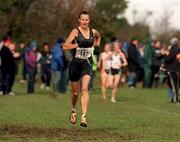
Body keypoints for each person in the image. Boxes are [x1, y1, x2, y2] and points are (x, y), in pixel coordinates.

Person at [63, 10, 101, 127]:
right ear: (79, 20)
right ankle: (74, 110)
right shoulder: (75, 31)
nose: (84, 21)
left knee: (85, 89)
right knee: (75, 92)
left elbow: (98, 37)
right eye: (82, 19)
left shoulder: (93, 32)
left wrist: (97, 47)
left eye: (86, 19)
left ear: (89, 20)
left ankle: (84, 117)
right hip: (75, 64)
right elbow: (65, 46)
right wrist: (76, 45)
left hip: (86, 63)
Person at [161, 37, 180, 103]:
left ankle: (175, 99)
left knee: (174, 85)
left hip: (172, 70)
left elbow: (168, 59)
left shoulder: (173, 50)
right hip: (178, 69)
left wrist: (164, 54)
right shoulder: (178, 49)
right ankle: (175, 99)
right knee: (178, 85)